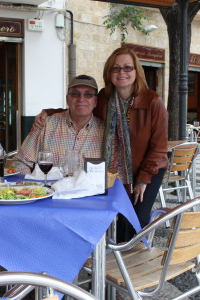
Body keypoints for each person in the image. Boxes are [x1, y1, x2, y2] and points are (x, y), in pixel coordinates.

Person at [35, 48, 169, 241]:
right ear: (109, 73)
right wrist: (47, 112)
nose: (121, 72)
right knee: (118, 215)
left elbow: (159, 147)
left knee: (137, 217)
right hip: (117, 170)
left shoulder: (152, 101)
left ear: (136, 71)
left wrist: (142, 180)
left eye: (127, 67)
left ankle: (133, 256)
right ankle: (115, 255)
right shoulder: (105, 98)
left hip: (149, 168)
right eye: (116, 68)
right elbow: (80, 107)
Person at [16, 75, 104, 173]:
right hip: (49, 187)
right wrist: (32, 185)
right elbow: (20, 162)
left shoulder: (105, 132)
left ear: (96, 101)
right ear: (67, 100)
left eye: (88, 94)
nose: (81, 99)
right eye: (75, 94)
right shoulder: (46, 125)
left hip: (91, 188)